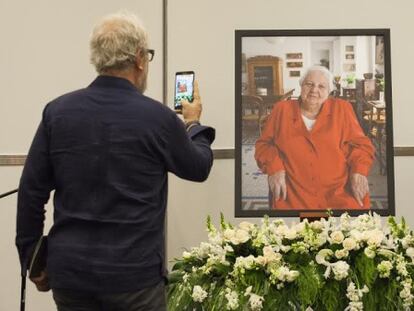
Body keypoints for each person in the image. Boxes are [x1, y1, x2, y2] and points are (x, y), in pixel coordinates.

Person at [16, 12, 215, 311]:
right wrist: (193, 124)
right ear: (138, 59)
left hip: (71, 277)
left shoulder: (56, 113)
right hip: (134, 278)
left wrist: (31, 258)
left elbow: (31, 192)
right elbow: (198, 167)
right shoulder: (158, 118)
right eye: (148, 55)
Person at [255, 65, 374, 210]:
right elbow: (264, 145)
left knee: (352, 226)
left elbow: (361, 145)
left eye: (321, 86)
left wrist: (358, 171)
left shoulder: (342, 108)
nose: (314, 90)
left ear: (329, 91)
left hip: (339, 191)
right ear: (301, 86)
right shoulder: (281, 109)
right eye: (309, 84)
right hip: (294, 193)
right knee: (294, 229)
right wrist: (275, 168)